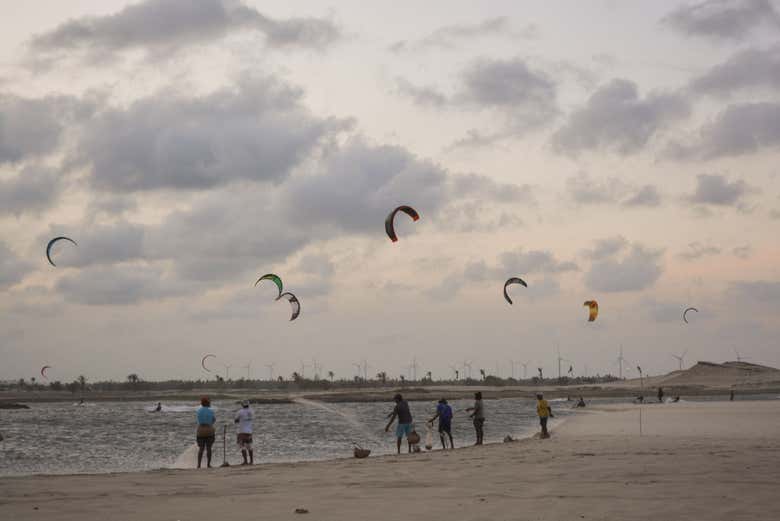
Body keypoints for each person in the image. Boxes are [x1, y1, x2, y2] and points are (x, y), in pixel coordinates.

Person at [196, 396, 216, 469]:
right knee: (209, 448)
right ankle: (208, 465)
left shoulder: (198, 411)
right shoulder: (211, 411)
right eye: (209, 402)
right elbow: (213, 420)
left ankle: (199, 465)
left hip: (201, 429)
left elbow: (198, 420)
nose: (210, 403)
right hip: (209, 429)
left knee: (201, 448)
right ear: (207, 403)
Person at [234, 400, 254, 465]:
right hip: (249, 431)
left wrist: (239, 420)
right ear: (248, 404)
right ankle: (251, 461)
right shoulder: (251, 411)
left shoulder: (240, 412)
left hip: (241, 431)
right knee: (249, 446)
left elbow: (236, 420)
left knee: (242, 446)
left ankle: (245, 461)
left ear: (242, 405)